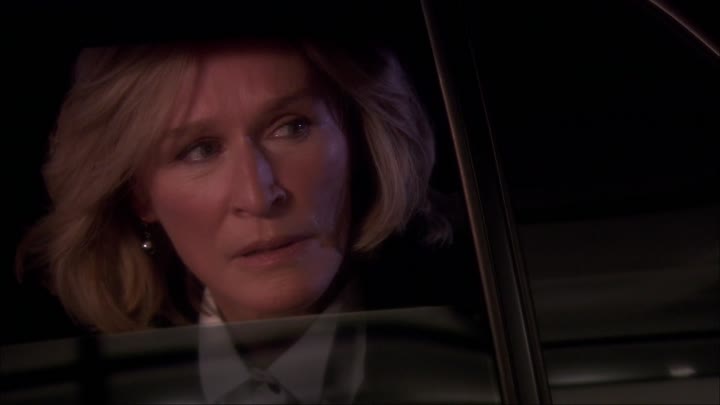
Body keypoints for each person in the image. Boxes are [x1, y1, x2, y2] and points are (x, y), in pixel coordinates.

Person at [14, 40, 493, 404]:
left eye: (292, 127)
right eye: (199, 150)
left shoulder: (491, 350)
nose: (258, 196)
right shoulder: (74, 387)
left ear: (356, 136)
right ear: (140, 197)